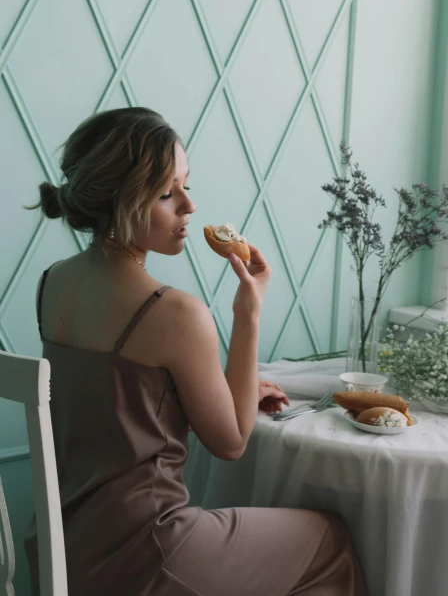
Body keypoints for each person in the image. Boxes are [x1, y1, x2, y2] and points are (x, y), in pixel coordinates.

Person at [24, 107, 367, 596]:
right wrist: (249, 311)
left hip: (61, 550)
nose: (189, 206)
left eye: (187, 185)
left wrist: (236, 391)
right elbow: (231, 444)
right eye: (166, 193)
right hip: (146, 556)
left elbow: (116, 402)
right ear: (118, 200)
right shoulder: (174, 312)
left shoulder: (50, 283)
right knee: (329, 539)